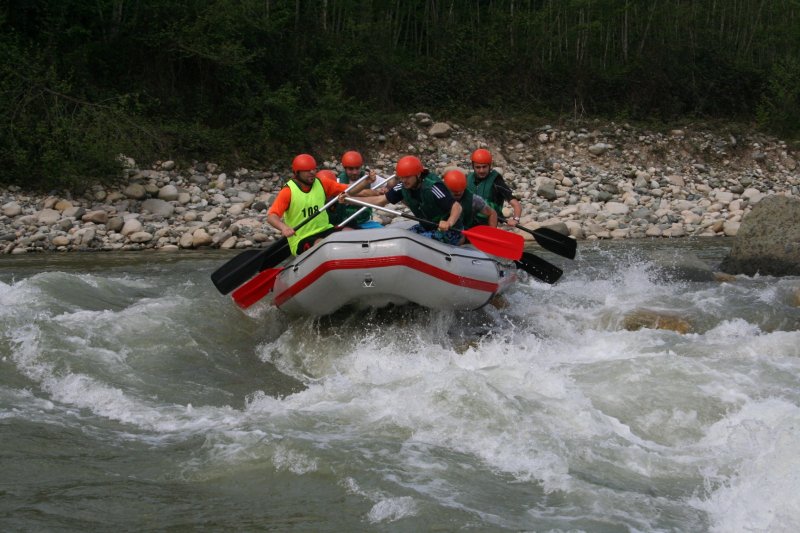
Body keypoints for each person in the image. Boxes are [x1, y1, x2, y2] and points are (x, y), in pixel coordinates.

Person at [267, 154, 372, 256]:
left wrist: (365, 182)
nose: (312, 172)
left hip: (325, 230)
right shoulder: (288, 191)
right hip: (302, 238)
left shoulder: (322, 183)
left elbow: (349, 190)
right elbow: (272, 216)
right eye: (308, 170)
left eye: (314, 169)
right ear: (297, 172)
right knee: (322, 245)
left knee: (350, 231)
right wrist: (284, 228)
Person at [354, 155, 463, 245]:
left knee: (413, 243)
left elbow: (457, 207)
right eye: (401, 177)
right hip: (427, 226)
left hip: (448, 230)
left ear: (418, 174)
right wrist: (350, 199)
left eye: (407, 177)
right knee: (402, 239)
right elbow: (379, 200)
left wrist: (449, 223)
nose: (404, 180)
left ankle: (460, 239)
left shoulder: (433, 187)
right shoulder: (402, 186)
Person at [327, 150, 384, 229]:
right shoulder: (338, 181)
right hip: (345, 223)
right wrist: (373, 193)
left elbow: (390, 184)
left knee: (383, 231)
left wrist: (395, 178)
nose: (355, 172)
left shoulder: (370, 177)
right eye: (351, 169)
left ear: (361, 167)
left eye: (357, 168)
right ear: (345, 168)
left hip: (365, 221)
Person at [467, 148, 522, 227]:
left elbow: (516, 205)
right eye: (478, 167)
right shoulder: (468, 179)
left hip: (488, 223)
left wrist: (515, 219)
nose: (481, 171)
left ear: (490, 166)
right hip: (469, 222)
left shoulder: (496, 181)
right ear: (473, 166)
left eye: (484, 167)